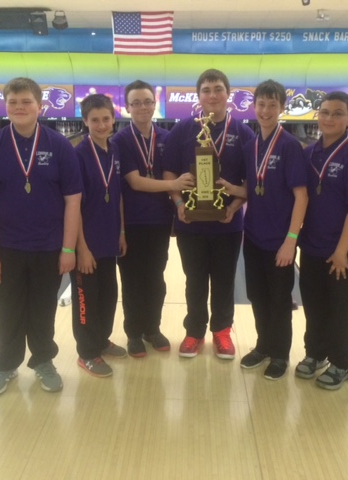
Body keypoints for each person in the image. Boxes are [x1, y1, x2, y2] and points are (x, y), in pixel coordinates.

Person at [0, 77, 82, 397]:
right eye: (13, 102)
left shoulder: (59, 145)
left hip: (49, 247)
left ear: (40, 106)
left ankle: (43, 361)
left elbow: (72, 200)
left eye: (26, 102)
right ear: (5, 106)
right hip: (6, 248)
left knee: (42, 309)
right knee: (6, 309)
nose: (19, 107)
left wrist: (68, 248)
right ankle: (6, 365)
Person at [218, 80, 308, 379]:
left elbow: (301, 196)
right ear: (253, 107)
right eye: (261, 104)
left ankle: (280, 354)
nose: (266, 110)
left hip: (279, 240)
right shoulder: (250, 146)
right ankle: (263, 346)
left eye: (272, 104)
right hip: (254, 236)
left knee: (279, 300)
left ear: (282, 108)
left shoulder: (290, 146)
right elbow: (250, 188)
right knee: (258, 296)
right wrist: (231, 199)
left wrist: (290, 241)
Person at [163, 69, 255, 360]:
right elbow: (169, 174)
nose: (212, 95)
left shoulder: (243, 133)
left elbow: (251, 182)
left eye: (218, 89)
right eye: (206, 89)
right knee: (195, 280)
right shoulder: (183, 129)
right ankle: (194, 332)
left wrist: (232, 207)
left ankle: (222, 331)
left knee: (225, 279)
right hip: (190, 223)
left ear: (228, 94)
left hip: (228, 224)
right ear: (198, 95)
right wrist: (179, 205)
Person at [111, 80, 194, 358]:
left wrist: (180, 199)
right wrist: (173, 186)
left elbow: (176, 174)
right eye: (136, 102)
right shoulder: (120, 140)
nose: (143, 107)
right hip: (132, 223)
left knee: (155, 279)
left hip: (159, 222)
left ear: (154, 103)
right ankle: (133, 333)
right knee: (133, 280)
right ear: (127, 107)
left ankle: (152, 328)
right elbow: (135, 182)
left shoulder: (166, 137)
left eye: (147, 101)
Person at [296, 91, 348, 389]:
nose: (329, 118)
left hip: (346, 253)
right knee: (314, 306)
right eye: (325, 112)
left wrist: (342, 251)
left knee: (341, 310)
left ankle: (341, 361)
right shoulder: (308, 153)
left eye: (337, 113)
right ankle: (315, 354)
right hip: (313, 246)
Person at [72, 93, 127, 377]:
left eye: (106, 118)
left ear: (113, 119)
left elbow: (116, 194)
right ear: (85, 122)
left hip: (108, 241)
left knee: (108, 295)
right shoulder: (78, 155)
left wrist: (121, 232)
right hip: (87, 245)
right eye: (95, 120)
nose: (102, 124)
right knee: (86, 300)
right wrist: (81, 248)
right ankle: (87, 352)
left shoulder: (114, 151)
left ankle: (101, 340)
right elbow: (74, 206)